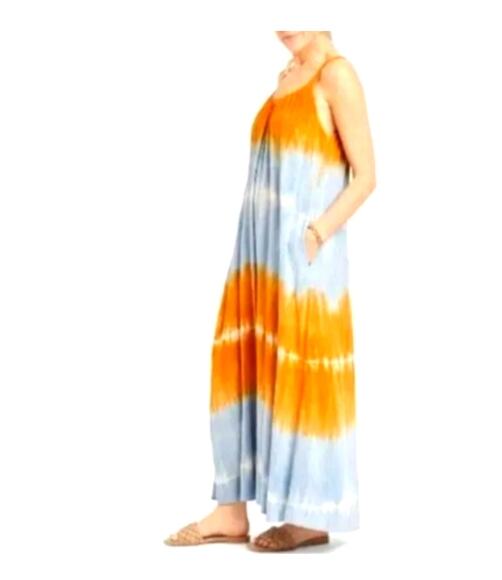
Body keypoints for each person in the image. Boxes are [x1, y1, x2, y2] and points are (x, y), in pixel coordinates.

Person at [165, 30, 376, 552]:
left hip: (304, 266)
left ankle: (308, 516)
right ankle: (231, 509)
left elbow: (366, 176)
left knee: (303, 376)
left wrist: (316, 234)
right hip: (258, 256)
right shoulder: (287, 75)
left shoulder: (336, 73)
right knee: (238, 363)